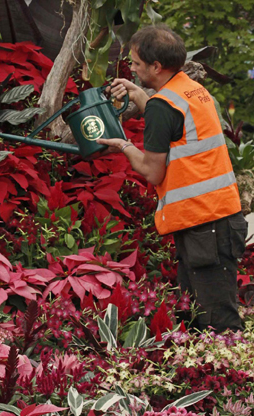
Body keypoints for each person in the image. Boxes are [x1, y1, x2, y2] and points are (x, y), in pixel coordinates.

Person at [98, 24, 247, 333]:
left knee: (220, 324)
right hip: (214, 219)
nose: (133, 68)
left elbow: (153, 171)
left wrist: (123, 145)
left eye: (137, 64)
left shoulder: (162, 106)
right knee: (197, 319)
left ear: (156, 66)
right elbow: (171, 121)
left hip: (205, 224)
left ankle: (239, 378)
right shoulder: (191, 89)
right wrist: (141, 94)